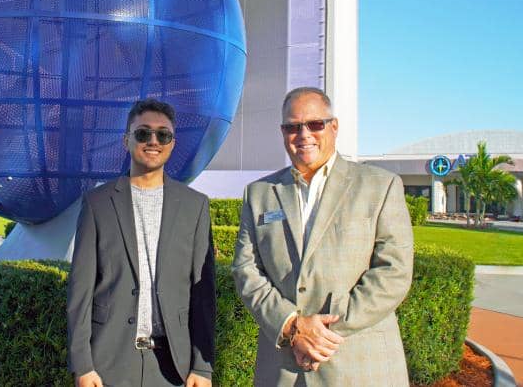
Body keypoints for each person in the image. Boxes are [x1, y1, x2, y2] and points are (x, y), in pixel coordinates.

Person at [232, 87, 414, 386]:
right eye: (293, 126)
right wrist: (291, 326)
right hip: (283, 369)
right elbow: (245, 269)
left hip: (358, 365)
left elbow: (394, 272)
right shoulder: (259, 194)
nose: (304, 134)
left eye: (315, 124)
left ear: (334, 126)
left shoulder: (380, 186)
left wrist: (321, 333)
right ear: (283, 132)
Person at [67, 98, 215, 387]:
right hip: (108, 364)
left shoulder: (195, 206)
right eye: (143, 133)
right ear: (126, 140)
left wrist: (202, 366)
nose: (153, 141)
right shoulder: (98, 203)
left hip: (174, 366)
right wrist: (83, 365)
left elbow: (203, 294)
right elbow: (80, 291)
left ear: (172, 143)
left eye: (163, 134)